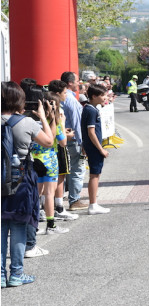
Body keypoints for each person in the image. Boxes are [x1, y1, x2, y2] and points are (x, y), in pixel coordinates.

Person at [2, 81, 54, 287]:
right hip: (20, 181)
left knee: (1, 226)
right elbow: (49, 142)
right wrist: (42, 116)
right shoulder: (26, 123)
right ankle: (16, 273)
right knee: (18, 226)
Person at [31, 92, 70, 235]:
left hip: (34, 158)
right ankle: (51, 225)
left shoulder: (32, 121)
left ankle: (33, 225)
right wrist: (62, 122)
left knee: (36, 193)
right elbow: (63, 142)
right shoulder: (54, 122)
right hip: (50, 159)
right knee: (49, 193)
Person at [45, 80, 78, 222]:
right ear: (57, 94)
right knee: (60, 176)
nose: (66, 95)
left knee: (48, 182)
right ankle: (58, 208)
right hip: (56, 148)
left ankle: (48, 209)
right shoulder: (57, 112)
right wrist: (65, 132)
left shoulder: (44, 111)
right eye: (65, 93)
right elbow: (62, 139)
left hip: (47, 150)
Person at [60, 72, 88, 212]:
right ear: (70, 83)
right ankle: (74, 200)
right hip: (73, 140)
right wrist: (83, 143)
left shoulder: (62, 98)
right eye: (77, 80)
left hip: (64, 139)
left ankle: (63, 200)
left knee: (66, 171)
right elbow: (77, 123)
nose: (79, 83)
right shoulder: (71, 100)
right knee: (77, 170)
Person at [81, 84, 110, 214]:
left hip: (90, 146)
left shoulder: (89, 108)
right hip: (94, 148)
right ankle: (93, 204)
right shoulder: (91, 110)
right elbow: (91, 132)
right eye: (102, 95)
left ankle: (94, 203)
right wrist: (100, 149)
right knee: (95, 175)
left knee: (95, 174)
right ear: (94, 96)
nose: (105, 97)